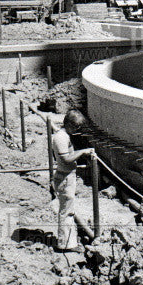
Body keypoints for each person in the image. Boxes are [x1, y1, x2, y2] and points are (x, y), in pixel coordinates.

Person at [51, 108, 93, 251]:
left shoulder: (63, 136)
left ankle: (69, 242)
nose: (77, 129)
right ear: (68, 124)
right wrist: (82, 152)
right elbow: (66, 158)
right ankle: (66, 245)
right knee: (66, 212)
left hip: (66, 176)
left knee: (68, 210)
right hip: (65, 178)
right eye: (76, 126)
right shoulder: (61, 138)